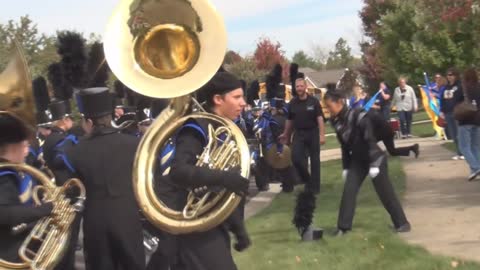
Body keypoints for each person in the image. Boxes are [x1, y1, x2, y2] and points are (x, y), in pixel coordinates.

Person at [150, 72, 250, 270]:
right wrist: (224, 177)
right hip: (191, 225)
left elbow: (221, 193)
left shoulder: (227, 129)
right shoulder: (196, 127)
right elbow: (179, 171)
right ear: (218, 99)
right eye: (237, 97)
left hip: (210, 224)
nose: (243, 103)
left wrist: (239, 229)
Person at [60, 87, 146, 270]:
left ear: (89, 121)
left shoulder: (74, 152)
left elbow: (72, 191)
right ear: (111, 117)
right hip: (128, 216)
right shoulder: (134, 144)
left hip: (95, 222)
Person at [324, 90, 410, 235]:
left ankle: (402, 223)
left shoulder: (358, 115)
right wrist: (346, 167)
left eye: (329, 106)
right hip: (358, 161)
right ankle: (343, 228)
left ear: (339, 102)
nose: (327, 110)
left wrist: (374, 165)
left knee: (385, 192)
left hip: (374, 158)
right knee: (349, 190)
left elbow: (369, 137)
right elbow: (344, 146)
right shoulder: (336, 122)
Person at [0, 112, 53, 262]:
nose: (27, 150)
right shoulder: (3, 176)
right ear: (12, 146)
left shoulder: (16, 168)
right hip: (10, 253)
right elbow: (3, 212)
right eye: (24, 144)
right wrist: (45, 209)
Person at [279, 78, 325, 194]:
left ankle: (315, 188)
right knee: (296, 158)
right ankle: (307, 179)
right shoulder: (293, 103)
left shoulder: (313, 101)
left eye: (301, 86)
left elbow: (320, 119)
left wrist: (322, 135)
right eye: (297, 86)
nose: (299, 88)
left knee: (315, 161)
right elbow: (289, 120)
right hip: (299, 134)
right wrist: (286, 134)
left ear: (305, 87)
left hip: (313, 133)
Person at [457, 68, 480, 181]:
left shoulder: (464, 88)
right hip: (477, 120)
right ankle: (473, 171)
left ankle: (476, 167)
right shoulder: (478, 86)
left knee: (464, 147)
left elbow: (456, 101)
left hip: (465, 119)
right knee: (475, 146)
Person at [440, 68, 464, 160]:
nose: (449, 77)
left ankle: (463, 152)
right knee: (453, 135)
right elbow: (442, 99)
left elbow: (463, 99)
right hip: (448, 113)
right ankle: (458, 152)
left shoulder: (459, 86)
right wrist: (442, 110)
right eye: (448, 75)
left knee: (459, 133)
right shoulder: (446, 87)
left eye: (451, 75)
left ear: (455, 76)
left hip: (457, 112)